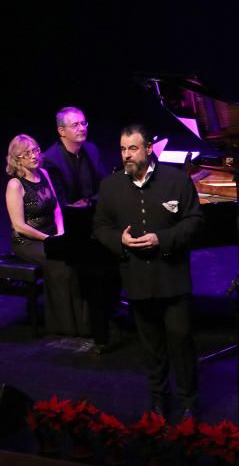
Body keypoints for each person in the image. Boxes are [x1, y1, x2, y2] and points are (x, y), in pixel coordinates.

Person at [93, 124, 204, 419]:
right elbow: (100, 227)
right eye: (122, 149)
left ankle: (189, 400)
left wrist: (161, 239)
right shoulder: (111, 186)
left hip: (172, 278)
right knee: (151, 344)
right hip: (137, 279)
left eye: (132, 148)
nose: (126, 155)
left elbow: (194, 222)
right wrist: (120, 239)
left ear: (148, 149)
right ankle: (158, 398)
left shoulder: (177, 181)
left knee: (180, 339)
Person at [43, 106, 116, 351]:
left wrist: (96, 203)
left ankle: (110, 307)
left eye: (84, 123)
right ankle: (96, 320)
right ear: (61, 131)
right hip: (71, 225)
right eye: (75, 125)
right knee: (97, 261)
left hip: (96, 216)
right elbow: (63, 204)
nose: (82, 128)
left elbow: (105, 185)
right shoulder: (51, 159)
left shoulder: (92, 150)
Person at [5, 134, 87, 335]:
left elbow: (57, 209)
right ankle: (64, 325)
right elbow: (19, 225)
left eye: (35, 150)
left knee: (77, 257)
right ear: (17, 158)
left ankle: (84, 322)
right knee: (59, 263)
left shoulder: (44, 173)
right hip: (27, 242)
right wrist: (49, 240)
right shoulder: (15, 185)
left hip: (51, 235)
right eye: (28, 153)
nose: (34, 155)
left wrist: (60, 233)